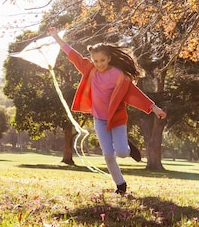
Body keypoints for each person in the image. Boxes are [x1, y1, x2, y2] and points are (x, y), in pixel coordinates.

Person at [49, 27, 166, 194]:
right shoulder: (89, 69)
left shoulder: (119, 75)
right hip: (99, 120)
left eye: (102, 60)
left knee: (122, 153)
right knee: (108, 156)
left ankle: (127, 146)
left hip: (117, 119)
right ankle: (120, 185)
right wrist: (56, 37)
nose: (99, 64)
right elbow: (72, 54)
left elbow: (134, 94)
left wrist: (153, 107)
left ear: (109, 58)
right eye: (96, 61)